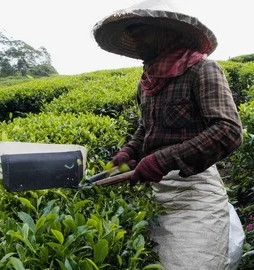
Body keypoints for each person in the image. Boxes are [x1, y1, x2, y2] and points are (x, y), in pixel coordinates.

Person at [93, 1, 243, 269]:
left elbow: (228, 131)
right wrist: (129, 153)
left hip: (194, 188)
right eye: (132, 32)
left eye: (142, 30)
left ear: (167, 32)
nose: (135, 39)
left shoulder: (202, 70)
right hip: (155, 190)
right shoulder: (148, 81)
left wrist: (163, 160)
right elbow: (146, 128)